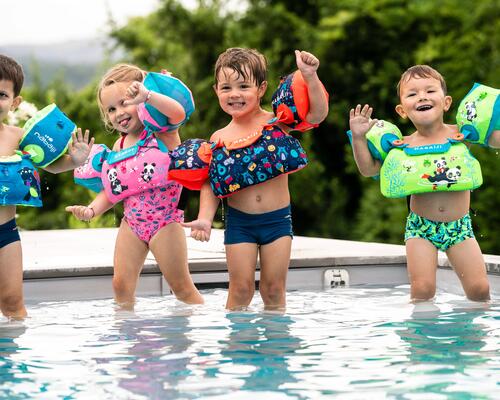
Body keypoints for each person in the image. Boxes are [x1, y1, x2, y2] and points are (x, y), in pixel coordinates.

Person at [170, 48, 328, 310]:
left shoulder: (276, 121)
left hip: (277, 221)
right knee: (240, 290)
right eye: (226, 87)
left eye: (244, 86)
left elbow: (317, 115)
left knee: (274, 290)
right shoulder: (219, 137)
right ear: (216, 91)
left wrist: (310, 76)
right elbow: (211, 181)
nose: (235, 94)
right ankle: (236, 348)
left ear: (262, 88)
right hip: (240, 223)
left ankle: (276, 346)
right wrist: (205, 218)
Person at [348, 65, 499, 302]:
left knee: (480, 291)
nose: (422, 97)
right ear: (402, 110)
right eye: (412, 94)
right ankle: (421, 337)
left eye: (430, 90)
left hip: (459, 227)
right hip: (421, 228)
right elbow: (368, 170)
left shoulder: (462, 135)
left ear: (446, 102)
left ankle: (471, 336)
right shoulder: (400, 145)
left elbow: (495, 140)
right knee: (422, 291)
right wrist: (358, 137)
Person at [66, 64, 203, 308]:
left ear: (140, 97)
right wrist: (92, 210)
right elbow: (113, 190)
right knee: (121, 286)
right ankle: (127, 335)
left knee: (181, 288)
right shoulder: (118, 148)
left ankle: (197, 329)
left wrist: (148, 96)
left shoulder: (162, 133)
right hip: (132, 223)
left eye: (124, 102)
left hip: (164, 222)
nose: (118, 112)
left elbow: (178, 113)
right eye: (111, 109)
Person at [0, 54, 93, 319]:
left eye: (2, 95)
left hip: (6, 234)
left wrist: (75, 160)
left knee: (13, 303)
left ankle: (12, 358)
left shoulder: (19, 138)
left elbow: (50, 165)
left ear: (15, 102)